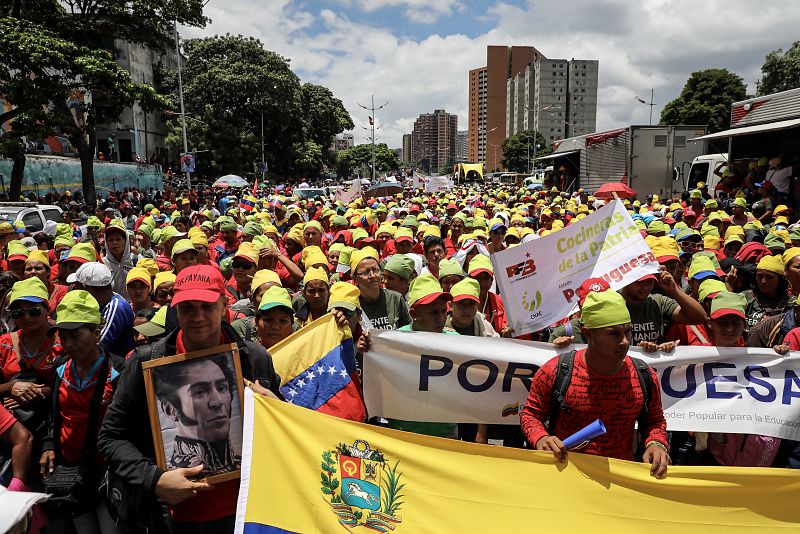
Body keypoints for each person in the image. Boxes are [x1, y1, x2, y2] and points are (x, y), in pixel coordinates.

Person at [99, 265, 281, 534]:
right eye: (187, 308)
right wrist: (154, 479)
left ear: (224, 306)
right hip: (174, 520)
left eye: (206, 307)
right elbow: (111, 437)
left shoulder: (254, 359)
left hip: (250, 514)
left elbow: (285, 432)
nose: (197, 317)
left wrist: (276, 409)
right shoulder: (147, 363)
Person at [520, 290, 670, 478]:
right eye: (613, 334)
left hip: (620, 481)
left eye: (627, 331)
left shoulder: (644, 374)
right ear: (588, 334)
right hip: (564, 478)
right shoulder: (555, 371)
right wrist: (541, 438)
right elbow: (530, 415)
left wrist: (656, 443)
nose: (624, 341)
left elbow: (655, 421)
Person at [40, 290, 125, 533]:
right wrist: (49, 445)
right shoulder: (60, 369)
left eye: (76, 336)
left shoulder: (118, 370)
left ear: (97, 333)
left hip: (108, 473)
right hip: (71, 472)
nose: (67, 344)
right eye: (62, 337)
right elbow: (54, 416)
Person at [387, 274, 458, 439]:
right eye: (433, 312)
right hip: (403, 433)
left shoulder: (456, 341)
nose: (441, 318)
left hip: (446, 434)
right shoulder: (394, 340)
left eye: (443, 311)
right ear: (413, 314)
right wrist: (366, 348)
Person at [154, 355, 239, 474]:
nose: (218, 402)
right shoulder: (170, 475)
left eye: (222, 388)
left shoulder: (246, 464)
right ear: (170, 410)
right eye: (200, 392)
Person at [67, 262, 135, 358]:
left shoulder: (116, 307)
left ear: (83, 287)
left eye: (76, 286)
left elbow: (98, 345)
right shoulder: (103, 302)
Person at [351, 248, 410, 330]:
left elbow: (409, 331)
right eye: (366, 272)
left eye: (375, 270)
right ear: (354, 278)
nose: (372, 276)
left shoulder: (395, 298)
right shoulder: (352, 305)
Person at [102, 220, 137, 300]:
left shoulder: (136, 260)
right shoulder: (102, 264)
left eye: (118, 239)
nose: (114, 243)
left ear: (126, 241)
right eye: (111, 240)